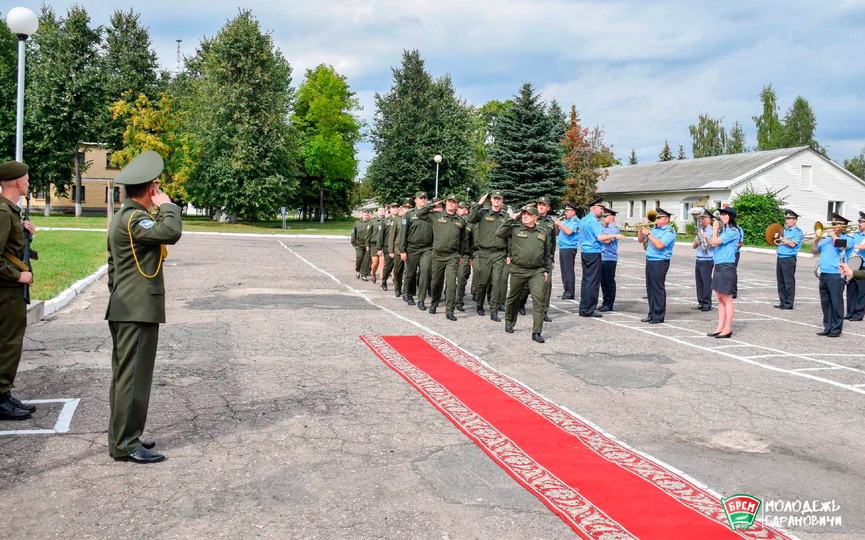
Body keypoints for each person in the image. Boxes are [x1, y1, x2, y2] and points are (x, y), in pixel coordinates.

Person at [106, 151, 182, 463]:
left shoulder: (124, 217)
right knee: (133, 378)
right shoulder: (136, 218)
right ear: (150, 190)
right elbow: (171, 232)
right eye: (156, 188)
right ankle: (125, 444)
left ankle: (126, 436)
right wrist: (167, 205)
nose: (159, 192)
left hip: (127, 306)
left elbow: (113, 269)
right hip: (135, 310)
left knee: (127, 377)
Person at [0, 161, 37, 421]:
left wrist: (26, 235)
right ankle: (0, 398)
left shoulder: (11, 212)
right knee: (7, 343)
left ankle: (3, 393)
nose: (28, 182)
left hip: (10, 290)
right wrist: (19, 275)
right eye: (27, 178)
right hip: (6, 290)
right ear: (18, 183)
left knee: (9, 342)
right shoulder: (3, 212)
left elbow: (10, 248)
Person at [497, 205, 552, 343]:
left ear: (535, 217)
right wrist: (511, 218)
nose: (525, 216)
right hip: (518, 270)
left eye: (528, 214)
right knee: (513, 298)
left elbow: (546, 254)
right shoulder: (515, 228)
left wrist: (546, 270)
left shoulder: (542, 232)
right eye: (523, 214)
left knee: (539, 299)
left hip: (537, 271)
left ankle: (537, 332)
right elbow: (499, 233)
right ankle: (509, 321)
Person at [417, 195, 467, 320]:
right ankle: (434, 303)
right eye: (449, 202)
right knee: (436, 283)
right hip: (438, 255)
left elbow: (463, 240)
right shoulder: (436, 216)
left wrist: (461, 254)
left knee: (451, 284)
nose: (451, 204)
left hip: (453, 256)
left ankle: (450, 310)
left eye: (454, 202)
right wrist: (434, 204)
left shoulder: (460, 220)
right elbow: (420, 214)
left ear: (457, 205)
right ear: (445, 204)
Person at [467, 191, 509, 322]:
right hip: (484, 253)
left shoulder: (505, 216)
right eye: (495, 198)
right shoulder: (483, 213)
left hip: (499, 254)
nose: (497, 201)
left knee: (497, 282)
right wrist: (479, 203)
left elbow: (510, 236)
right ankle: (479, 304)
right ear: (491, 200)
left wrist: (509, 254)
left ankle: (493, 310)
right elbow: (470, 219)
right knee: (483, 282)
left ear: (502, 201)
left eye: (499, 199)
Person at [811, 213, 852, 337]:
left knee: (836, 302)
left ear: (843, 227)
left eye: (836, 225)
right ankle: (827, 326)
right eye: (832, 224)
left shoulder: (849, 238)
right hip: (824, 273)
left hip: (836, 274)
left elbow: (842, 246)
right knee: (826, 302)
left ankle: (836, 329)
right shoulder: (827, 239)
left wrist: (833, 235)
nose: (833, 226)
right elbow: (814, 251)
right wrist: (816, 240)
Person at [706, 207, 740, 338]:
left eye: (724, 215)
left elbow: (716, 241)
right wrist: (706, 238)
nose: (721, 217)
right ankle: (720, 327)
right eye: (721, 215)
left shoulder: (733, 231)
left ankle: (728, 328)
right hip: (719, 265)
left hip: (727, 266)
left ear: (730, 217)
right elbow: (714, 244)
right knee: (719, 298)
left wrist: (714, 228)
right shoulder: (725, 230)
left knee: (727, 298)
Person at [639, 208, 676, 324]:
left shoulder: (669, 231)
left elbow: (660, 245)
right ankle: (652, 313)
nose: (657, 219)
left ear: (666, 219)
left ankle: (659, 316)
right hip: (650, 260)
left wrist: (649, 234)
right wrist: (641, 230)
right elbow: (641, 240)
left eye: (659, 218)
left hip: (660, 261)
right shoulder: (655, 229)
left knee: (658, 288)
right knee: (650, 289)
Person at [400, 192, 433, 309]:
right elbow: (403, 234)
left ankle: (421, 299)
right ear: (416, 200)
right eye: (421, 198)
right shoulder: (409, 215)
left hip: (427, 248)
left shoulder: (431, 214)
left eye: (425, 198)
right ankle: (408, 293)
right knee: (410, 273)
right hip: (412, 248)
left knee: (425, 271)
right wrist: (402, 250)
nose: (423, 200)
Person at [578, 198, 606, 317]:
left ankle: (584, 307)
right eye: (600, 208)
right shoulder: (594, 221)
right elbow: (599, 237)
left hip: (585, 251)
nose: (602, 211)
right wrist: (614, 236)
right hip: (593, 252)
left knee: (586, 281)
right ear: (594, 209)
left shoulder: (584, 220)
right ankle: (588, 308)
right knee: (593, 282)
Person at [598, 207, 626, 312]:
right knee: (603, 281)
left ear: (612, 217)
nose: (603, 218)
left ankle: (609, 304)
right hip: (602, 256)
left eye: (606, 216)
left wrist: (603, 236)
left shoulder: (614, 228)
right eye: (603, 216)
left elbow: (607, 241)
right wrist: (603, 235)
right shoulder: (603, 228)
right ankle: (604, 302)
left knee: (609, 281)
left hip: (610, 257)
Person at [775, 209, 803, 310]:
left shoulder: (798, 232)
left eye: (789, 219)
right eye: (786, 218)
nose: (787, 220)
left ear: (795, 220)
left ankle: (789, 302)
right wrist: (777, 237)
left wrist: (782, 238)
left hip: (789, 258)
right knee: (780, 281)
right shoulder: (784, 230)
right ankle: (782, 301)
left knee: (788, 281)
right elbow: (777, 241)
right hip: (780, 256)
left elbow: (792, 244)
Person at [555, 202, 580, 300]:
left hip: (569, 247)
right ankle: (566, 291)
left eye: (568, 211)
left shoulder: (575, 221)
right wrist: (556, 225)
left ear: (573, 211)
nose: (566, 213)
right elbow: (558, 233)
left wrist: (560, 224)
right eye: (565, 211)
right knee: (564, 271)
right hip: (562, 247)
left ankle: (570, 293)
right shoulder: (566, 221)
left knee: (568, 271)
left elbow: (569, 232)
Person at [388, 199, 412, 298]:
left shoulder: (413, 219)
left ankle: (406, 290)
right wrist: (390, 250)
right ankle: (397, 287)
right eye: (405, 207)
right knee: (398, 270)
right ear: (401, 209)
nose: (407, 209)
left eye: (409, 208)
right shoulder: (397, 220)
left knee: (408, 271)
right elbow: (392, 236)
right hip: (398, 249)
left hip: (409, 249)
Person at [692, 209, 715, 311]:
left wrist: (706, 238)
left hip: (708, 258)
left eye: (704, 218)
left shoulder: (713, 231)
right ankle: (700, 302)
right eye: (701, 218)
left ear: (709, 220)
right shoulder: (699, 230)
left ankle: (707, 303)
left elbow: (714, 244)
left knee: (706, 282)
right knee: (699, 282)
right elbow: (693, 246)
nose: (701, 220)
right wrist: (697, 241)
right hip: (699, 258)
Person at [844, 211, 865, 321]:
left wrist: (852, 245)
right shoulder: (855, 235)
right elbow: (846, 244)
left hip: (863, 266)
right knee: (851, 290)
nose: (859, 223)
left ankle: (858, 314)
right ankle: (850, 312)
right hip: (852, 264)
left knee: (862, 292)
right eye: (858, 221)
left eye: (861, 221)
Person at [455, 201, 474, 312]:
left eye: (463, 208)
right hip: (453, 253)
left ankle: (459, 301)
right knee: (451, 279)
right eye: (460, 208)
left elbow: (472, 241)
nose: (461, 210)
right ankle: (451, 298)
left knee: (462, 277)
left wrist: (471, 256)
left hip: (465, 254)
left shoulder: (469, 224)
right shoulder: (453, 220)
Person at [378, 203, 399, 291]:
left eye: (397, 207)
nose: (395, 209)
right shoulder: (385, 221)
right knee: (388, 266)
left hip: (398, 247)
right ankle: (384, 281)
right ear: (390, 210)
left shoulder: (401, 220)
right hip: (387, 247)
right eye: (393, 207)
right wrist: (379, 248)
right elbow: (380, 236)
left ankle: (397, 285)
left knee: (398, 267)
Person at [351, 209, 372, 281]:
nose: (366, 216)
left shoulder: (371, 223)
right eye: (364, 215)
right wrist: (353, 242)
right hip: (359, 244)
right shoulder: (357, 223)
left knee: (366, 260)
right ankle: (358, 270)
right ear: (361, 215)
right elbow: (353, 232)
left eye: (367, 215)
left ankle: (364, 275)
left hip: (368, 245)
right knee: (359, 258)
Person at [369, 206, 386, 284]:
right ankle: (373, 274)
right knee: (375, 263)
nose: (382, 211)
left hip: (383, 244)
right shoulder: (373, 221)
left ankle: (383, 281)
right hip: (374, 244)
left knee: (383, 263)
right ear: (377, 212)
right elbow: (368, 234)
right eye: (380, 210)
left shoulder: (387, 221)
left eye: (383, 210)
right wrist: (367, 244)